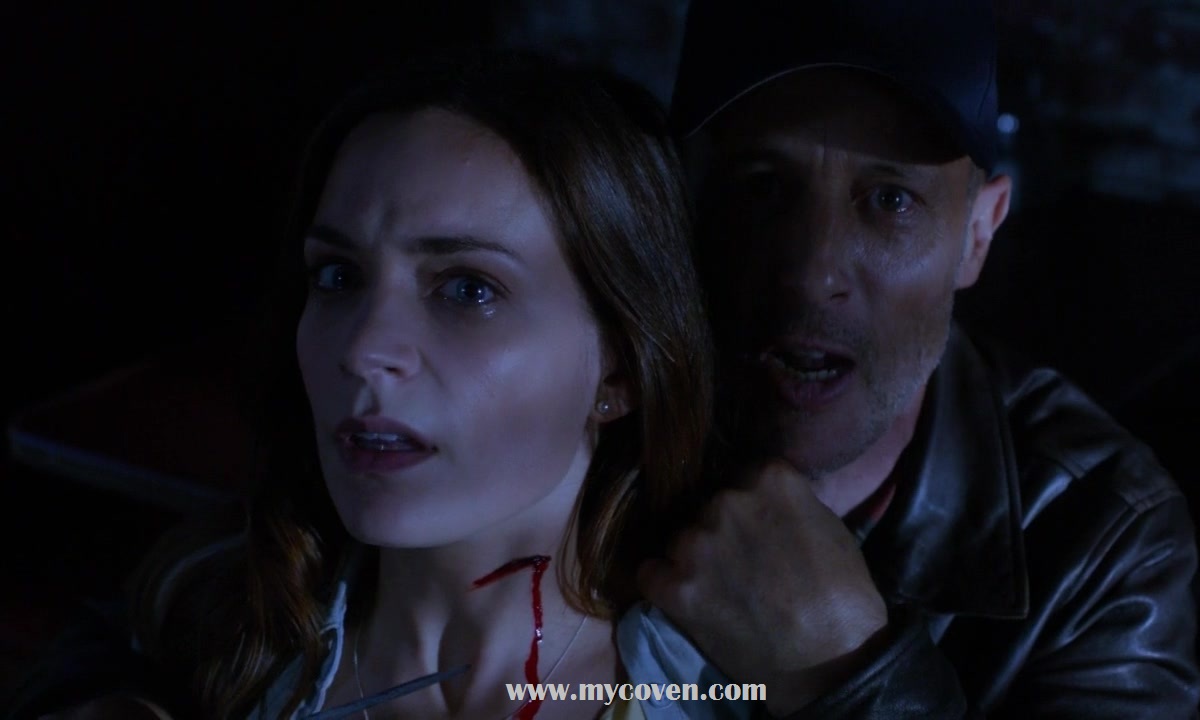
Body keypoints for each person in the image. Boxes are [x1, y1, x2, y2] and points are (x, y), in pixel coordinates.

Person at [9, 52, 715, 719]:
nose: (363, 348)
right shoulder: (206, 614)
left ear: (620, 366)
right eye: (338, 276)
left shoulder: (718, 687)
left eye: (468, 288)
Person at [631, 1, 1200, 718]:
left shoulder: (1098, 534)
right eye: (763, 185)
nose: (813, 272)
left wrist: (843, 674)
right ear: (682, 202)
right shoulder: (589, 438)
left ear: (977, 235)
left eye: (890, 199)